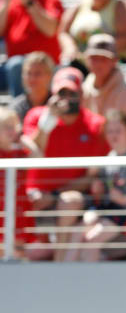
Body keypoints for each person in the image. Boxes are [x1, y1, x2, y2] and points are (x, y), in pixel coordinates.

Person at [21, 66, 110, 261]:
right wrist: (47, 122)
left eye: (72, 93)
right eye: (62, 93)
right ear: (53, 95)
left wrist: (53, 196)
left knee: (69, 201)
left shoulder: (96, 124)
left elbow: (91, 174)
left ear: (81, 94)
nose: (67, 98)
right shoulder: (37, 116)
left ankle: (59, 262)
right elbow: (30, 155)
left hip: (69, 200)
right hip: (33, 198)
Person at [64, 109, 126, 262]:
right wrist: (98, 189)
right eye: (110, 131)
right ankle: (66, 273)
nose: (114, 135)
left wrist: (124, 199)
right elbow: (106, 194)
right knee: (77, 231)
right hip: (108, 210)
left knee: (91, 239)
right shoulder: (109, 157)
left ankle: (87, 280)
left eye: (118, 130)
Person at [0, 0, 64, 97]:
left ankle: (20, 112)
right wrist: (6, 3)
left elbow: (50, 29)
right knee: (15, 65)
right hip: (15, 69)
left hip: (45, 67)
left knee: (17, 65)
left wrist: (28, 2)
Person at [82, 34, 126, 148]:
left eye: (104, 59)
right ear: (87, 60)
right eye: (94, 58)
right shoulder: (85, 87)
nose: (99, 64)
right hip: (96, 153)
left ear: (115, 61)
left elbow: (118, 132)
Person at [0, 107, 39, 260]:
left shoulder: (18, 153)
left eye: (13, 126)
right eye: (5, 127)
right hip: (2, 207)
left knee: (20, 246)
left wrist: (23, 139)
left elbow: (37, 156)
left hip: (18, 206)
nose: (11, 131)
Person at [10, 51, 54, 124]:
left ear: (49, 75)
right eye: (28, 73)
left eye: (38, 73)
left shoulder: (58, 103)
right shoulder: (16, 107)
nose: (32, 79)